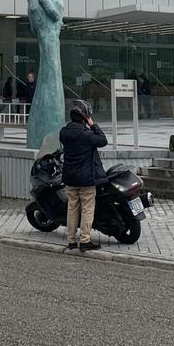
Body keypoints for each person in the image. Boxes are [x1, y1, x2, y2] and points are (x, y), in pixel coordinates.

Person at [58, 100, 107, 252]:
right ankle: (85, 240)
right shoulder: (87, 135)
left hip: (70, 177)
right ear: (85, 117)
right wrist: (92, 124)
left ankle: (71, 241)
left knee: (72, 208)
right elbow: (103, 140)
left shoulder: (64, 132)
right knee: (87, 209)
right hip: (86, 179)